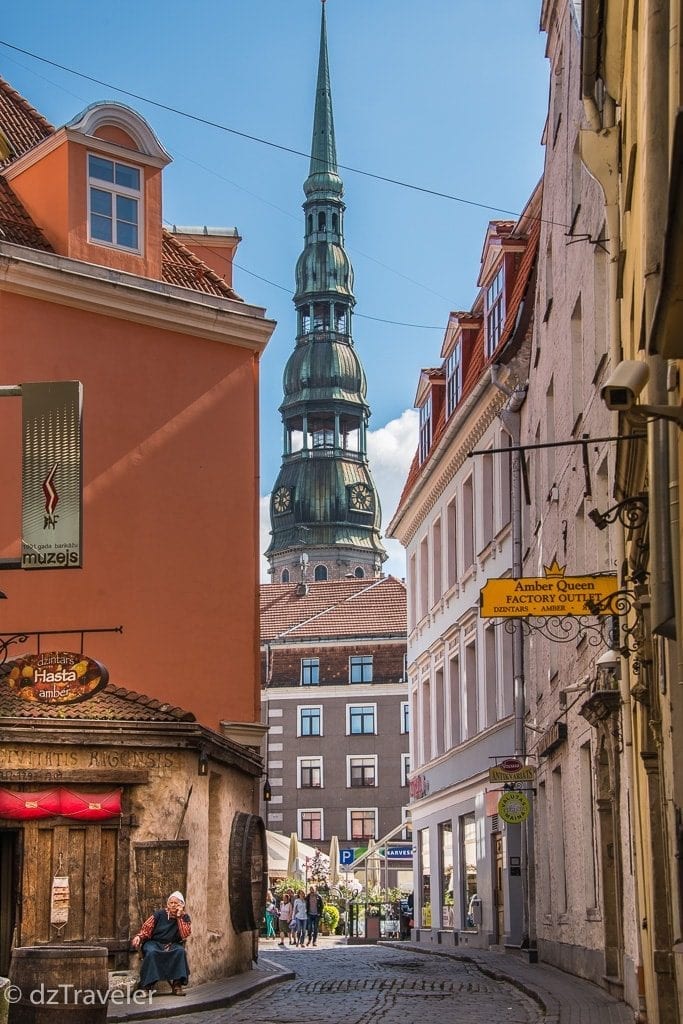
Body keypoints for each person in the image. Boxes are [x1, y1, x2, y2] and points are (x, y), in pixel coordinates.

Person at [131, 891, 191, 996]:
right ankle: (147, 986)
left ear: (182, 905)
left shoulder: (185, 918)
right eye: (171, 903)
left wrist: (179, 917)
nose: (173, 905)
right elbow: (146, 929)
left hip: (172, 944)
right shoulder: (159, 914)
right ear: (167, 904)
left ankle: (177, 985)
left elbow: (184, 934)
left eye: (176, 903)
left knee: (180, 951)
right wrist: (139, 937)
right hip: (154, 942)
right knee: (152, 952)